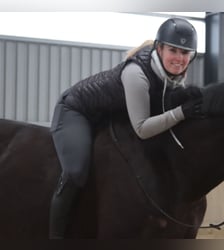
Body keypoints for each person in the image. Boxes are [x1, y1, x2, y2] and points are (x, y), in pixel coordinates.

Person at [48, 17, 204, 239]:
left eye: (185, 53)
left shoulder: (173, 77)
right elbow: (142, 128)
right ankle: (56, 236)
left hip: (109, 115)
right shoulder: (136, 74)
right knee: (75, 172)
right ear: (159, 48)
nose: (179, 59)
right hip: (76, 111)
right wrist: (181, 113)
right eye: (173, 50)